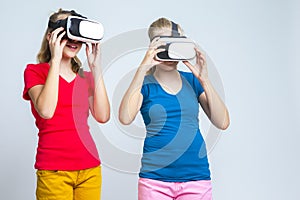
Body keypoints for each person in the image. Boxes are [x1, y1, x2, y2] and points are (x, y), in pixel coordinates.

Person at [119, 17, 230, 200]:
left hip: (196, 177)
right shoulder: (145, 85)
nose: (170, 53)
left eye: (175, 45)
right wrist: (142, 68)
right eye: (164, 46)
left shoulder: (193, 81)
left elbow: (223, 122)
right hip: (155, 180)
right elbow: (125, 117)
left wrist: (205, 81)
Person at [22, 9, 110, 200]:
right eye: (65, 35)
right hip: (54, 171)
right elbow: (46, 110)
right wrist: (54, 60)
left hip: (90, 169)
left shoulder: (85, 78)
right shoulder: (35, 72)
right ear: (50, 37)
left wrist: (96, 68)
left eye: (77, 37)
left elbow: (103, 116)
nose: (73, 42)